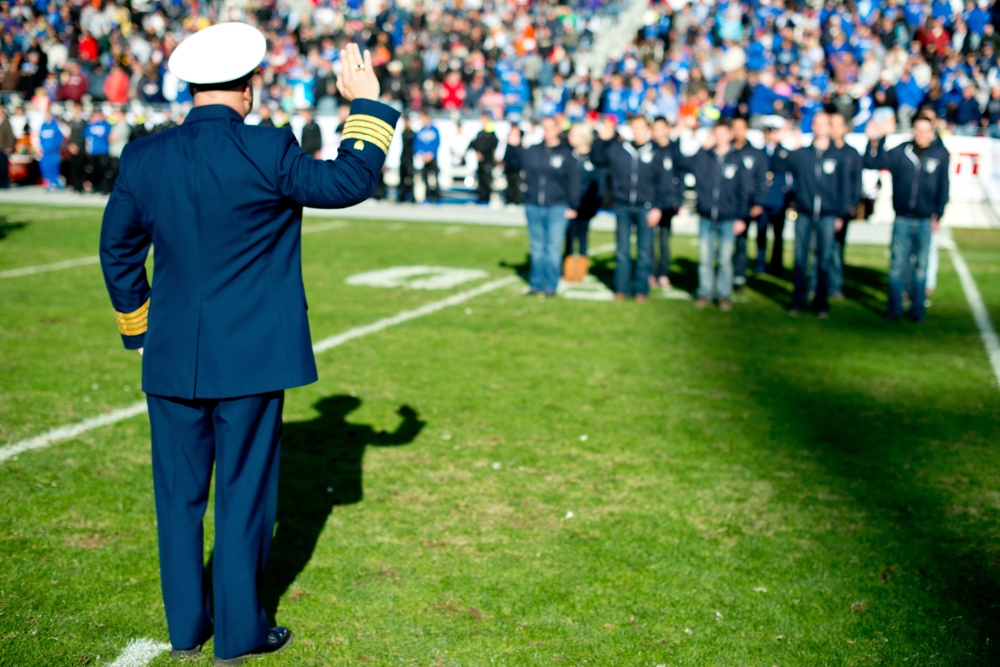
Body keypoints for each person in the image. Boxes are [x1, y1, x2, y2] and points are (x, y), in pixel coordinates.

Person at [98, 25, 399, 667]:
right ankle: (238, 636)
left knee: (177, 502)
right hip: (254, 360)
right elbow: (347, 182)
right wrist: (367, 105)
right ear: (249, 84)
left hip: (172, 357)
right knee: (244, 498)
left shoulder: (144, 157)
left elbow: (118, 249)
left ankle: (185, 630)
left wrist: (141, 329)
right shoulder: (267, 148)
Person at [864, 113, 950, 322]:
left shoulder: (940, 154)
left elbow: (943, 187)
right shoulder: (900, 152)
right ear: (913, 130)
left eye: (926, 131)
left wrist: (938, 214)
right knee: (897, 265)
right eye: (918, 130)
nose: (921, 134)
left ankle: (917, 309)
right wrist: (877, 138)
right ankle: (894, 308)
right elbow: (871, 161)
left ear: (932, 132)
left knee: (921, 266)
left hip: (925, 219)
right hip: (902, 217)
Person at [773, 112, 853, 318]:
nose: (820, 128)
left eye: (824, 124)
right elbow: (778, 164)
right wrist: (780, 141)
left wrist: (840, 214)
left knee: (824, 260)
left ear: (829, 128)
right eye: (816, 124)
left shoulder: (839, 155)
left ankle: (821, 303)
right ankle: (798, 301)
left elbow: (845, 187)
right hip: (805, 214)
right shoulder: (802, 154)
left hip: (828, 214)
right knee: (801, 260)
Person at [675, 118, 752, 311]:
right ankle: (705, 292)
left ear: (730, 135)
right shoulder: (704, 157)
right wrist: (702, 147)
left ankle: (724, 294)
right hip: (706, 215)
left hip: (728, 217)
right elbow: (682, 163)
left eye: (722, 133)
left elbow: (745, 190)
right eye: (715, 134)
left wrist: (741, 217)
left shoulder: (738, 159)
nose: (719, 137)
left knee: (725, 259)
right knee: (705, 259)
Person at [593, 114, 668, 302]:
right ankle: (621, 288)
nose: (637, 131)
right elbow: (597, 159)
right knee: (622, 251)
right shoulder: (619, 149)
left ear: (647, 129)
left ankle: (641, 290)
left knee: (644, 252)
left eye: (641, 127)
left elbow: (664, 183)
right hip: (623, 206)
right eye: (634, 127)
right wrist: (602, 139)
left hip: (646, 207)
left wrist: (657, 208)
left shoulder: (656, 152)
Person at [504, 115, 580, 297]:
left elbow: (574, 181)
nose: (547, 131)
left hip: (557, 206)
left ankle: (550, 286)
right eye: (544, 128)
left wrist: (573, 205)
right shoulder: (533, 151)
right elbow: (513, 164)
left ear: (557, 129)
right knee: (537, 247)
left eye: (550, 127)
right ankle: (536, 284)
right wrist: (511, 146)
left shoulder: (566, 153)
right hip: (533, 205)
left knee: (553, 248)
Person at [730, 116, 767, 292]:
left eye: (741, 128)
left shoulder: (756, 153)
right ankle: (725, 275)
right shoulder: (726, 150)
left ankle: (739, 277)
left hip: (746, 205)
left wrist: (758, 203)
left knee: (741, 243)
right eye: (734, 127)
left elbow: (761, 180)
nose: (737, 131)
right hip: (726, 204)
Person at [564, 122, 604, 282]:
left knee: (582, 237)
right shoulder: (568, 156)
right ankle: (567, 269)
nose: (569, 137)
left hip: (585, 208)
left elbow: (598, 186)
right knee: (567, 238)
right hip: (567, 207)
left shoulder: (594, 158)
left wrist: (588, 208)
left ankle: (580, 270)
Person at [829, 113, 863, 300]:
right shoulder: (822, 151)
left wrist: (851, 206)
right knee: (818, 249)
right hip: (823, 210)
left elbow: (856, 182)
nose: (834, 129)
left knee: (836, 249)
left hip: (841, 210)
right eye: (831, 125)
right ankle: (816, 284)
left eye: (837, 125)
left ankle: (835, 286)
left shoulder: (851, 153)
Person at [650, 116, 684, 289]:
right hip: (650, 201)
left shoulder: (674, 149)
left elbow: (680, 175)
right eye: (655, 128)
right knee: (648, 239)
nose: (657, 132)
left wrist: (678, 200)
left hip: (667, 202)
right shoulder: (650, 149)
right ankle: (650, 271)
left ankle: (662, 273)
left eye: (660, 128)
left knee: (663, 239)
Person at [757, 117, 793, 275]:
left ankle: (776, 265)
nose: (770, 135)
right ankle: (760, 263)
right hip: (762, 199)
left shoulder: (785, 152)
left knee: (778, 235)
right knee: (761, 233)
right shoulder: (759, 152)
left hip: (778, 199)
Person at [470, 113, 499, 205]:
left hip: (488, 160)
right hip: (480, 161)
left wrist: (483, 154)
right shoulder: (480, 133)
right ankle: (481, 197)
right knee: (481, 179)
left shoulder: (491, 133)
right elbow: (474, 143)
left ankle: (487, 198)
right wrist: (477, 152)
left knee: (487, 180)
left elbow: (492, 144)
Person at [414, 110, 441, 203]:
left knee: (434, 178)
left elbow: (436, 143)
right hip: (424, 159)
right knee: (425, 178)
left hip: (432, 159)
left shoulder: (434, 130)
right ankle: (427, 196)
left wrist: (431, 154)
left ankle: (436, 196)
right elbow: (417, 145)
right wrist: (422, 155)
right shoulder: (421, 131)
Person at [84, 109, 112, 194]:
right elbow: (87, 137)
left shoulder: (106, 124)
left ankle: (104, 188)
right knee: (94, 170)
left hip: (103, 150)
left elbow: (109, 136)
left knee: (103, 170)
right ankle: (96, 187)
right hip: (93, 151)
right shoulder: (90, 125)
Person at [38, 107, 65, 190]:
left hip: (54, 151)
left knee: (54, 166)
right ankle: (49, 182)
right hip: (45, 151)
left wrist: (54, 146)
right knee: (45, 166)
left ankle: (56, 182)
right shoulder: (43, 126)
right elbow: (41, 138)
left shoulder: (55, 125)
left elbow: (59, 137)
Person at [67, 103, 87, 193]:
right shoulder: (71, 123)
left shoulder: (84, 123)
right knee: (74, 168)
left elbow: (85, 136)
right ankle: (75, 185)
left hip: (81, 148)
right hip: (72, 148)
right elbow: (69, 136)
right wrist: (71, 145)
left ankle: (80, 186)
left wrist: (78, 146)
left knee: (81, 167)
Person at [502, 124, 524, 205]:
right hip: (509, 167)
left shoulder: (519, 147)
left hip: (516, 167)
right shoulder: (509, 146)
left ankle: (516, 200)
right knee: (510, 183)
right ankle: (510, 199)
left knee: (516, 183)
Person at [0, 106, 18, 189]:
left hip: (3, 148)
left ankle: (4, 183)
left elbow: (10, 136)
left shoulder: (6, 122)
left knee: (3, 166)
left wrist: (9, 147)